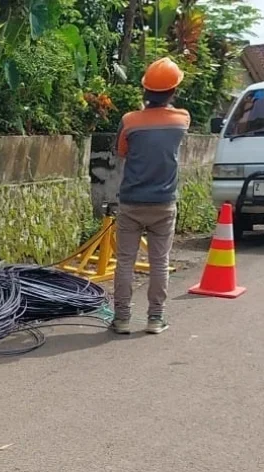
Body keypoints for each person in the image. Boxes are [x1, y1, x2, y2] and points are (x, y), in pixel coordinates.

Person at [111, 57, 190, 336]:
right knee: (160, 262)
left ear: (145, 89)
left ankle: (121, 318)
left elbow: (120, 152)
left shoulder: (129, 121)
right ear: (174, 90)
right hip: (164, 203)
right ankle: (155, 318)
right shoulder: (182, 120)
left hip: (131, 201)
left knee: (125, 261)